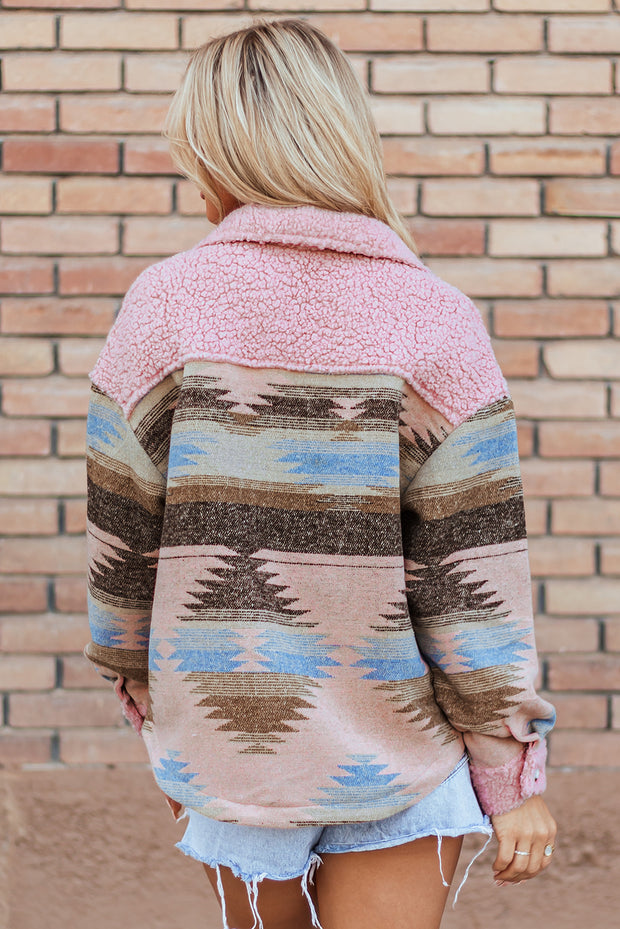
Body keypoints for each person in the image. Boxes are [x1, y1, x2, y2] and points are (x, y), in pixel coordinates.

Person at [83, 18, 557, 929]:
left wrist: (153, 704)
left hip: (230, 743)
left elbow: (121, 547)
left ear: (219, 151)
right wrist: (509, 771)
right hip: (402, 745)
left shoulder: (163, 307)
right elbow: (473, 576)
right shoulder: (433, 317)